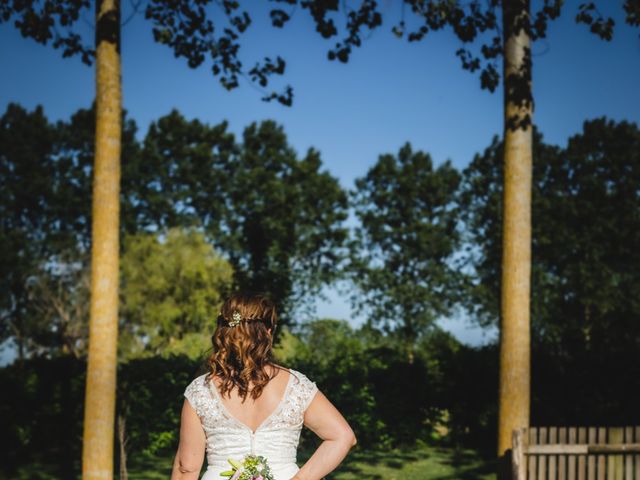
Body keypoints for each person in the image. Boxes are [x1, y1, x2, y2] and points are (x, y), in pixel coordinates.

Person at [171, 292, 357, 480]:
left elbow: (186, 467)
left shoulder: (200, 390)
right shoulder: (296, 385)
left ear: (224, 332)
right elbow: (343, 437)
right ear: (268, 333)